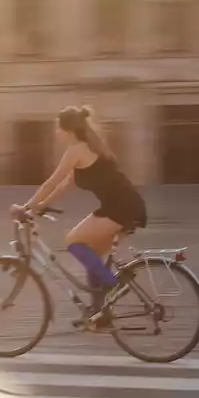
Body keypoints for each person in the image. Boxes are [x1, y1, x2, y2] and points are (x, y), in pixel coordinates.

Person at [11, 105, 148, 329]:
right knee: (92, 255)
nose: (56, 133)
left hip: (122, 208)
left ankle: (111, 285)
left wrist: (26, 207)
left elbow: (51, 182)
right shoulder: (87, 149)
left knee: (75, 242)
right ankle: (100, 314)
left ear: (68, 130)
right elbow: (65, 185)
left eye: (57, 128)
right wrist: (40, 207)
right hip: (123, 206)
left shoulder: (77, 150)